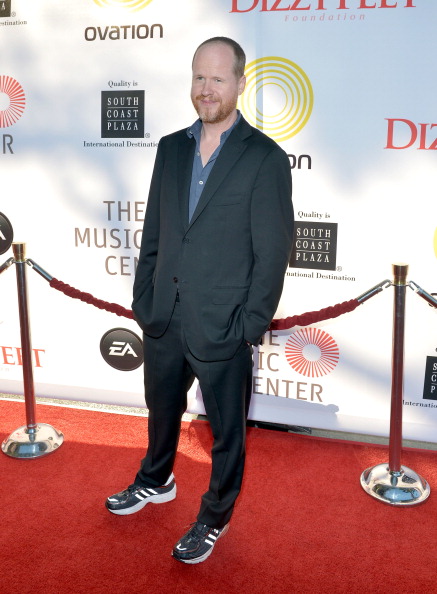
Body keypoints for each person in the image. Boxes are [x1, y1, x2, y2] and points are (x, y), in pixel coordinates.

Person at [106, 36, 294, 564]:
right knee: (161, 410)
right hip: (164, 317)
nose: (206, 89)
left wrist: (248, 326)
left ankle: (214, 517)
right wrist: (145, 299)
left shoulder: (265, 158)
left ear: (240, 83)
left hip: (224, 325)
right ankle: (155, 480)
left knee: (228, 435)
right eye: (198, 77)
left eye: (217, 78)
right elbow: (155, 233)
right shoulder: (170, 148)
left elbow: (272, 253)